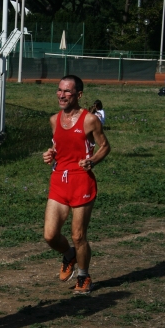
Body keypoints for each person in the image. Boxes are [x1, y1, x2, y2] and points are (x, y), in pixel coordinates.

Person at [42, 75, 111, 294]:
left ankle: (84, 276)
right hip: (59, 181)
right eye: (59, 90)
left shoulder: (90, 120)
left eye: (67, 91)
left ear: (79, 95)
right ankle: (70, 255)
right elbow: (58, 146)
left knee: (78, 235)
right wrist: (50, 154)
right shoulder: (54, 120)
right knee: (50, 235)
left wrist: (92, 160)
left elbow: (104, 146)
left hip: (81, 181)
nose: (61, 95)